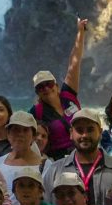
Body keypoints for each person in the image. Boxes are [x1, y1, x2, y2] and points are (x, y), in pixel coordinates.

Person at [29, 19, 88, 159]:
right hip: (59, 160)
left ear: (56, 86)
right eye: (40, 87)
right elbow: (20, 131)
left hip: (85, 151)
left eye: (48, 84)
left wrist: (80, 32)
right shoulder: (36, 112)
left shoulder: (68, 95)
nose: (45, 88)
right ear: (37, 93)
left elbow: (74, 63)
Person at [43, 109, 112, 205]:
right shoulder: (54, 171)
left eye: (90, 130)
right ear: (71, 133)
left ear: (100, 132)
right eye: (79, 130)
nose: (85, 135)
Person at [0, 111, 46, 205]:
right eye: (15, 130)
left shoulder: (46, 166)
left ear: (34, 136)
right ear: (8, 134)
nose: (20, 134)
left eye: (25, 130)